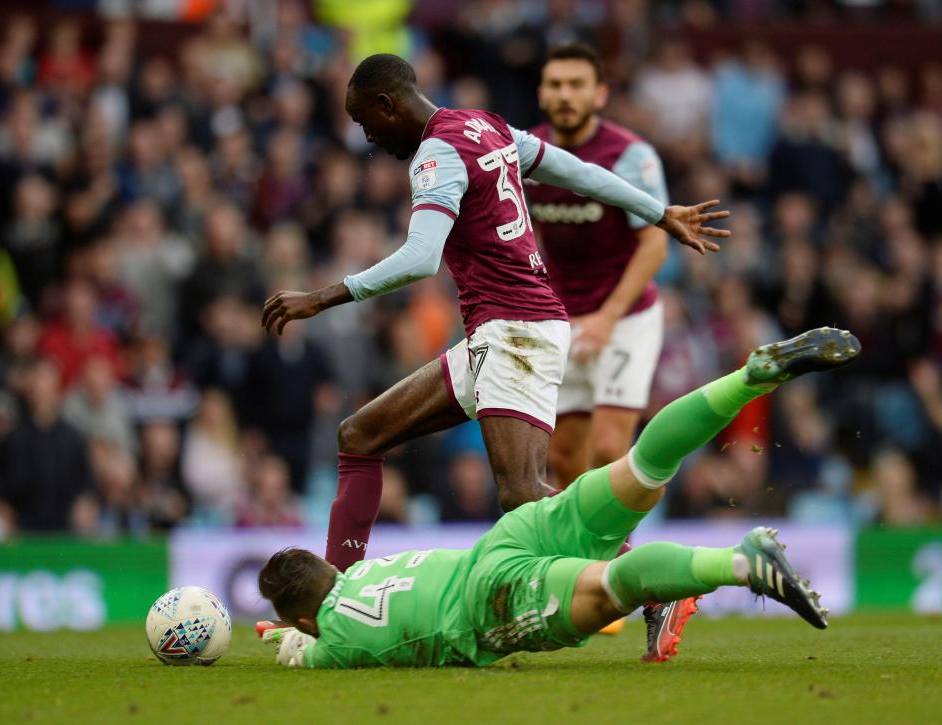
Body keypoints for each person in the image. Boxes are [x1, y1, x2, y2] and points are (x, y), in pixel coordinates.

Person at [261, 53, 730, 572]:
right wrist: (658, 211)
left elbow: (420, 259)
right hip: (505, 330)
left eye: (363, 121)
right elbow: (576, 171)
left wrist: (323, 296)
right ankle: (336, 602)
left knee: (522, 494)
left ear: (386, 105)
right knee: (359, 435)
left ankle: (658, 581)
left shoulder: (434, 155)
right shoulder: (486, 126)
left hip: (515, 331)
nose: (367, 137)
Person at [256, 327, 859, 669]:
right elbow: (322, 602)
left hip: (487, 604)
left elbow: (304, 649)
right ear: (333, 569)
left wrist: (290, 640)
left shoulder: (330, 641)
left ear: (306, 619)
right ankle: (748, 378)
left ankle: (741, 563)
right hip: (507, 538)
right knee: (643, 466)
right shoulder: (362, 575)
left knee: (615, 584)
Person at [526, 42, 682, 644]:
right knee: (564, 460)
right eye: (554, 83)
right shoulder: (526, 153)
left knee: (612, 448)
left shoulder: (631, 155)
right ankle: (591, 582)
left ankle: (632, 585)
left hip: (629, 315)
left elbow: (654, 243)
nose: (564, 94)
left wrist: (608, 317)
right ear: (542, 93)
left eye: (575, 83)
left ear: (599, 93)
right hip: (563, 320)